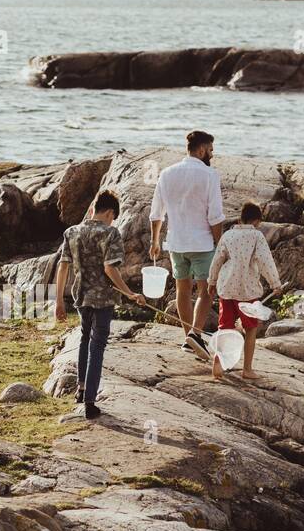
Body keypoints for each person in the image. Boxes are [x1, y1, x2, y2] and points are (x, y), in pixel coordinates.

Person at [55, 190, 147, 418]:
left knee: (86, 338)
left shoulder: (72, 232)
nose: (112, 220)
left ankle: (82, 388)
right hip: (103, 298)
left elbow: (63, 267)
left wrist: (58, 301)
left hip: (81, 295)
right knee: (97, 346)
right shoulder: (110, 233)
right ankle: (89, 402)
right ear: (109, 212)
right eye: (112, 216)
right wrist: (129, 293)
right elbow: (109, 268)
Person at [148, 131, 224, 361]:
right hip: (201, 243)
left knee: (182, 290)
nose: (211, 154)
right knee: (206, 291)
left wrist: (154, 241)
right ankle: (195, 334)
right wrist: (220, 244)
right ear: (201, 150)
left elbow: (156, 212)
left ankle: (188, 338)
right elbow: (215, 216)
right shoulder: (210, 175)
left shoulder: (167, 173)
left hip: (176, 243)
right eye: (210, 150)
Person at [207, 201, 281, 381]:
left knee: (225, 327)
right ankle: (247, 369)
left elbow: (218, 259)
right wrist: (275, 283)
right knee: (250, 328)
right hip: (247, 290)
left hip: (227, 287)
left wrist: (211, 281)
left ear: (241, 218)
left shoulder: (228, 235)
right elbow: (265, 260)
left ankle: (219, 359)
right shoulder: (256, 236)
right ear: (256, 221)